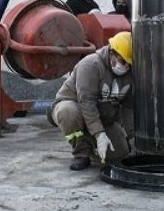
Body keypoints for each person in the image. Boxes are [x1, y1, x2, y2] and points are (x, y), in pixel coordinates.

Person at [51, 31, 134, 171]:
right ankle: (81, 153)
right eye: (122, 61)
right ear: (111, 53)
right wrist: (100, 134)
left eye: (129, 64)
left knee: (120, 153)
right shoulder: (90, 65)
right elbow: (86, 102)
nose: (125, 67)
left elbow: (128, 107)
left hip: (102, 116)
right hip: (76, 108)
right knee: (68, 112)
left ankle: (93, 148)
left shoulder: (130, 74)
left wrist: (132, 137)